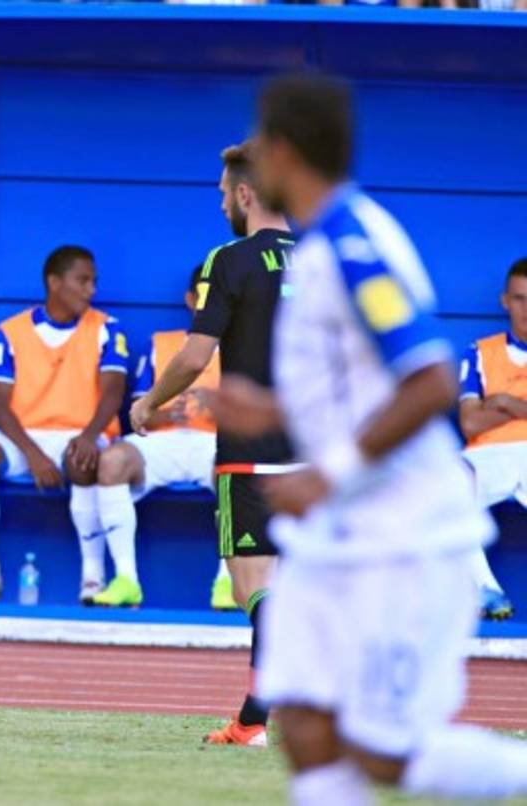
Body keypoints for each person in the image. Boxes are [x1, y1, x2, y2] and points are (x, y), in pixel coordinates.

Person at [212, 71, 527, 804]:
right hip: (350, 532)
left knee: (385, 755)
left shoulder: (353, 245)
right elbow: (359, 382)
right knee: (308, 724)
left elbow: (428, 380)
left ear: (284, 154)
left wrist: (328, 473)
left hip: (406, 537)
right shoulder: (323, 246)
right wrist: (271, 406)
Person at [130, 140, 296, 747]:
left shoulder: (228, 259)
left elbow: (196, 353)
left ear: (246, 194)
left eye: (225, 193)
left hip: (254, 450)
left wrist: (149, 403)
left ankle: (254, 721)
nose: (223, 202)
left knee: (253, 588)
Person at [0, 245, 128, 604]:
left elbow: (114, 392)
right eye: (82, 280)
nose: (91, 290)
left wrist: (89, 436)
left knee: (84, 462)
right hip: (25, 437)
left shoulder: (106, 328)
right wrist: (33, 455)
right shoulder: (11, 331)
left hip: (82, 434)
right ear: (54, 282)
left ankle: (92, 576)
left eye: (93, 282)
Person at [92, 265, 233, 609]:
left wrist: (220, 410)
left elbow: (263, 416)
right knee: (112, 461)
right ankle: (126, 580)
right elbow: (139, 412)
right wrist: (168, 413)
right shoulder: (162, 345)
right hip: (164, 441)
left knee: (236, 470)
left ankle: (229, 582)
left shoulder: (246, 347)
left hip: (217, 443)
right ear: (190, 299)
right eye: (203, 295)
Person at [457, 257, 527, 621]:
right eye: (519, 298)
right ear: (505, 301)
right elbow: (469, 423)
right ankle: (487, 590)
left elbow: (483, 415)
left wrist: (506, 403)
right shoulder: (481, 352)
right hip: (490, 456)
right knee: (451, 479)